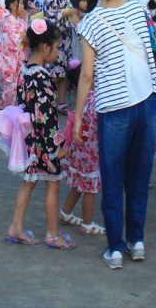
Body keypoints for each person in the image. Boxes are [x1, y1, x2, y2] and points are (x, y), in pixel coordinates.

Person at [75, 0, 156, 269]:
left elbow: (86, 76)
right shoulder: (138, 10)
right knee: (139, 178)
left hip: (114, 107)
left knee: (112, 179)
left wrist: (75, 121)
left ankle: (114, 249)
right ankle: (136, 241)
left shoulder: (91, 22)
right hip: (147, 101)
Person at [3, 18, 75, 250]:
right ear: (45, 47)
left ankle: (15, 226)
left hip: (28, 140)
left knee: (28, 182)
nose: (57, 51)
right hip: (43, 142)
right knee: (53, 184)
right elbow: (47, 117)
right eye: (56, 47)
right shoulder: (42, 77)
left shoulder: (25, 70)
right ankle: (53, 234)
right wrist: (58, 146)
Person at [59, 61, 103, 236]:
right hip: (91, 152)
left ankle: (66, 213)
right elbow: (96, 126)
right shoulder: (96, 99)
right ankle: (87, 223)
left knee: (78, 185)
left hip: (79, 151)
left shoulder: (82, 98)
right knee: (89, 189)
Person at [44, 0, 78, 108]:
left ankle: (61, 103)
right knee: (56, 73)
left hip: (64, 38)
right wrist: (67, 12)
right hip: (57, 38)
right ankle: (45, 101)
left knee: (63, 72)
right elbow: (51, 15)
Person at [0, 0, 29, 109]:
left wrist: (25, 37)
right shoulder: (8, 21)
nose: (23, 6)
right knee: (10, 89)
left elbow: (25, 37)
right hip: (9, 61)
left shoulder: (21, 20)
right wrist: (24, 36)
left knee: (17, 88)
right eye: (20, 3)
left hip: (18, 60)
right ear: (13, 6)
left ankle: (9, 113)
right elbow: (16, 40)